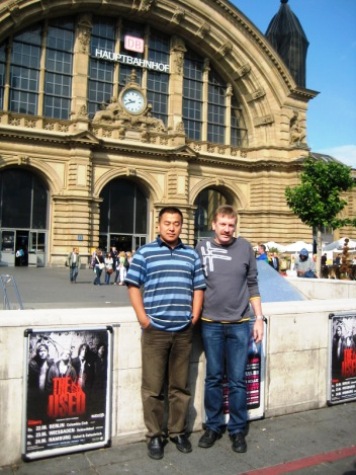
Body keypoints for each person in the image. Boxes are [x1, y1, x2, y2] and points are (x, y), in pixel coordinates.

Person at [125, 206, 206, 460]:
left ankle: (178, 432)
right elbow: (133, 285)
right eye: (167, 223)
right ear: (158, 225)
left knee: (180, 386)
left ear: (182, 226)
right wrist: (143, 318)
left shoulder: (191, 255)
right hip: (155, 331)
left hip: (183, 331)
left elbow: (199, 286)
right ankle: (155, 437)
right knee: (152, 388)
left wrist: (194, 315)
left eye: (177, 223)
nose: (172, 227)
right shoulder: (145, 253)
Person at [195, 205, 264, 454]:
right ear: (213, 225)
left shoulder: (245, 248)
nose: (226, 229)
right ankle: (212, 427)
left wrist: (258, 318)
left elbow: (253, 285)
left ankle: (237, 430)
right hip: (210, 323)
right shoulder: (202, 248)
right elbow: (195, 283)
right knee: (213, 377)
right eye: (222, 224)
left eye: (231, 225)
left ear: (235, 226)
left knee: (237, 381)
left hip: (239, 324)